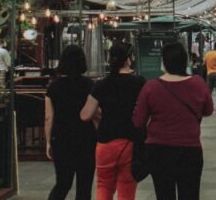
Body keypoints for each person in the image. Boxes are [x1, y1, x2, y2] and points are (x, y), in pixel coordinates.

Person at [133, 41, 214, 200]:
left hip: (159, 151)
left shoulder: (151, 87)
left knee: (164, 194)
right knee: (190, 194)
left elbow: (138, 121)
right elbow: (208, 110)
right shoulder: (198, 83)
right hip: (190, 150)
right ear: (185, 61)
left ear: (164, 62)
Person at [80, 43, 145, 200]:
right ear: (128, 60)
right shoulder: (139, 83)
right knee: (126, 187)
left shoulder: (101, 85)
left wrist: (99, 116)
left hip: (105, 142)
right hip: (129, 142)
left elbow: (85, 115)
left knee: (103, 185)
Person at [45, 45, 96, 200]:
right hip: (85, 137)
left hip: (61, 138)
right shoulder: (89, 85)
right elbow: (94, 113)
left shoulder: (53, 87)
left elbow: (48, 116)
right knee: (84, 184)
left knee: (63, 182)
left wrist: (48, 141)